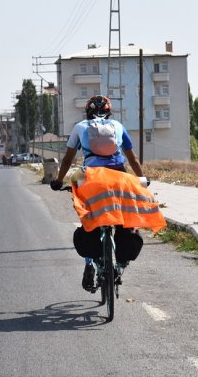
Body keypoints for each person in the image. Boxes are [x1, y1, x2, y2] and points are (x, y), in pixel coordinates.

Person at [50, 94, 146, 292]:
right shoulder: (118, 127)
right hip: (119, 177)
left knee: (88, 217)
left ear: (88, 112)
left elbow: (68, 159)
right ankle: (120, 264)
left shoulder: (80, 127)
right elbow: (133, 159)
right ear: (109, 112)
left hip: (91, 177)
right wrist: (142, 179)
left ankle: (90, 261)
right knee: (124, 220)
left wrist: (59, 181)